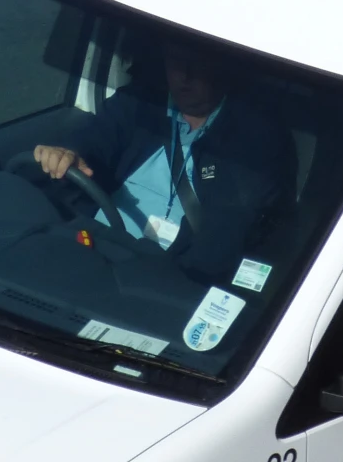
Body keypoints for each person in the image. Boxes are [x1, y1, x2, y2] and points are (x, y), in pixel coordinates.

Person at [33, 37, 294, 285]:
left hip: (162, 274)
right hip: (91, 245)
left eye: (197, 65)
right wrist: (68, 153)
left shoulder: (253, 141)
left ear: (221, 67)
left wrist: (163, 278)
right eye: (176, 62)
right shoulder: (139, 103)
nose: (184, 76)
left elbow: (223, 234)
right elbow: (92, 137)